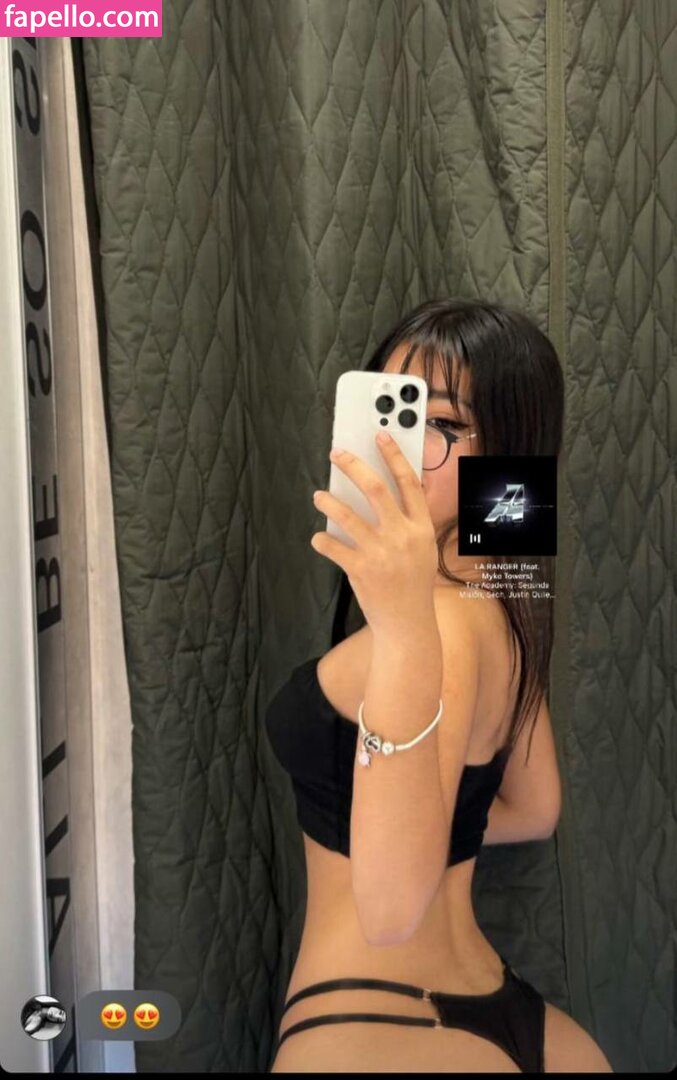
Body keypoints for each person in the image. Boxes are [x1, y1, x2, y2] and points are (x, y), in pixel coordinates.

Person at [265, 299, 613, 1073]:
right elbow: (534, 809)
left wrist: (401, 628)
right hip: (506, 1012)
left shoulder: (433, 624)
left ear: (506, 454)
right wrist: (404, 822)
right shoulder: (499, 605)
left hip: (374, 1026)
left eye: (441, 423)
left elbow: (389, 911)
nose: (396, 441)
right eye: (388, 404)